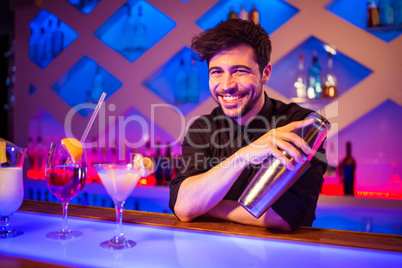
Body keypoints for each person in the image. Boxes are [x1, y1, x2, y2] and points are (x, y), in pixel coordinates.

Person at [169, 19, 327, 231]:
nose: (227, 85)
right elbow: (184, 205)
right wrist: (244, 155)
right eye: (217, 72)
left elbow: (285, 217)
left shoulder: (300, 124)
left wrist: (204, 206)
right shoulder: (202, 128)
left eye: (240, 71)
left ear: (266, 73)